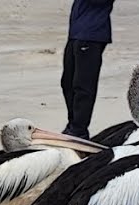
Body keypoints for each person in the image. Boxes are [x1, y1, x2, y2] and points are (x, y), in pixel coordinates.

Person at [60, 0, 114, 139]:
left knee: (83, 85)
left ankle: (79, 130)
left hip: (92, 34)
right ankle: (72, 125)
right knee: (67, 82)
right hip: (76, 33)